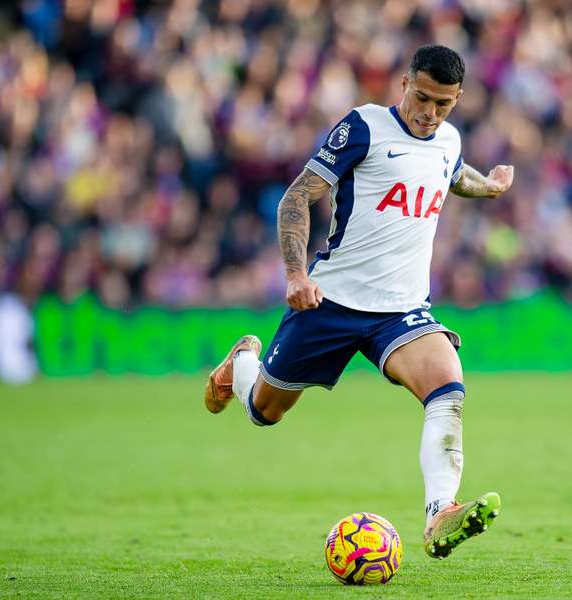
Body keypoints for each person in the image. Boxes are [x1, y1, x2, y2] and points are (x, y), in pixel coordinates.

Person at [204, 44, 514, 559]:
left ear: (457, 100)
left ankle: (441, 512)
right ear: (403, 84)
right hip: (331, 301)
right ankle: (241, 363)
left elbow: (451, 173)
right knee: (265, 412)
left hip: (402, 309)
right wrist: (296, 273)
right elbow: (297, 196)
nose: (428, 113)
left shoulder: (448, 139)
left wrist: (488, 188)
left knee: (448, 386)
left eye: (443, 104)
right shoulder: (364, 127)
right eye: (421, 98)